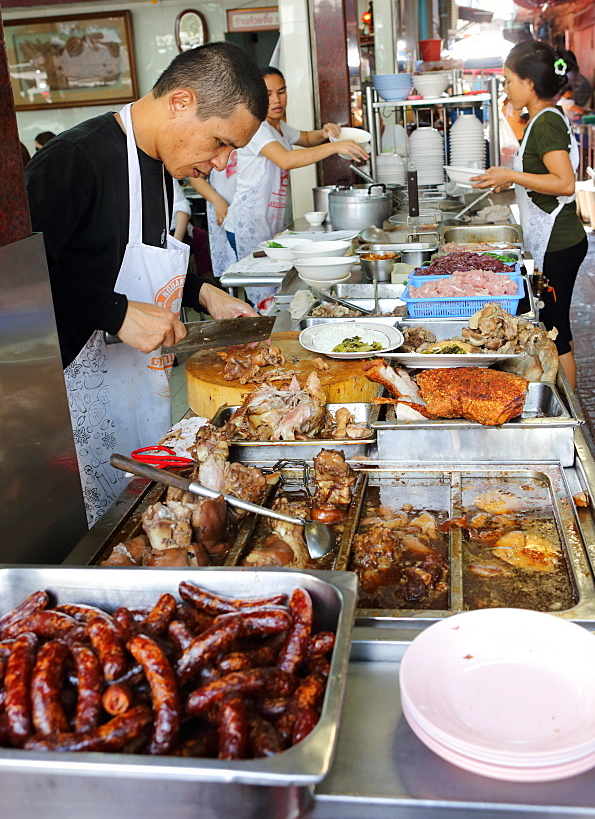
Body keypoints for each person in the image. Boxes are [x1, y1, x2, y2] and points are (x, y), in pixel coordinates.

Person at [26, 41, 266, 525]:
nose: (221, 164)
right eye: (220, 143)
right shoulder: (74, 159)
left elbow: (131, 252)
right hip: (56, 416)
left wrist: (202, 291)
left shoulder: (160, 165)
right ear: (180, 102)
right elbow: (17, 284)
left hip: (137, 395)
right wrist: (113, 313)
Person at [470, 40, 587, 389]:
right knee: (551, 324)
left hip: (560, 243)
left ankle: (567, 410)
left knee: (556, 330)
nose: (505, 88)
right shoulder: (539, 119)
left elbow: (565, 183)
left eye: (508, 80)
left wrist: (510, 175)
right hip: (552, 240)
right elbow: (539, 175)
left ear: (529, 84)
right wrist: (506, 183)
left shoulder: (547, 121)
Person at [223, 65, 369, 279]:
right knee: (259, 283)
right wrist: (336, 147)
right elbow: (285, 160)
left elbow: (308, 138)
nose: (276, 100)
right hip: (248, 222)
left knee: (275, 279)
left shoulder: (278, 126)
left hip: (269, 217)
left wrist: (326, 132)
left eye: (281, 92)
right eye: (268, 94)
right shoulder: (257, 128)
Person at [189, 152, 238, 278]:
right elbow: (195, 176)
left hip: (258, 213)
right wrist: (217, 201)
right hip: (224, 210)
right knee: (231, 268)